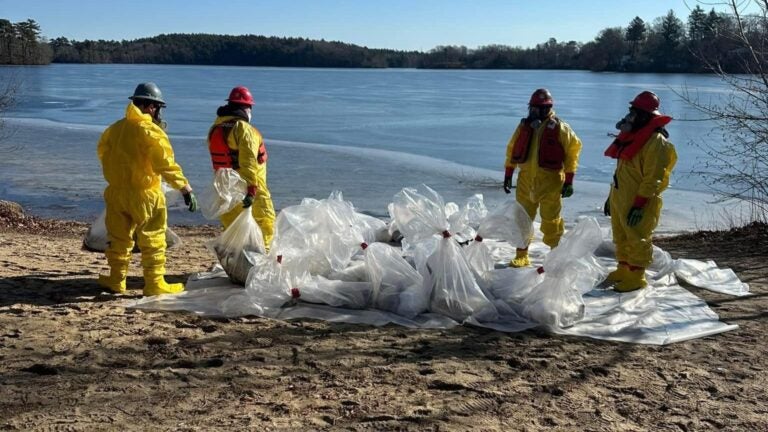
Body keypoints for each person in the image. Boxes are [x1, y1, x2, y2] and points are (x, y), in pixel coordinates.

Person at [97, 82, 198, 296]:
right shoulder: (150, 131)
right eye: (157, 108)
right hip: (145, 195)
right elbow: (165, 163)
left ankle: (116, 280)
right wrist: (185, 188)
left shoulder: (115, 129)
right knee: (153, 239)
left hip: (116, 194)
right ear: (151, 107)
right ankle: (154, 284)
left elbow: (103, 155)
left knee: (119, 238)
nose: (158, 113)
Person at [604, 91, 677, 292]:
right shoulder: (632, 137)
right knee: (620, 235)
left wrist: (640, 203)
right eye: (631, 111)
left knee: (637, 237)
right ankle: (623, 269)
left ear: (646, 115)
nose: (630, 116)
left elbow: (654, 177)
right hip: (621, 194)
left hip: (640, 199)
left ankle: (637, 276)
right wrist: (611, 198)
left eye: (635, 112)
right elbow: (622, 171)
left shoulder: (656, 142)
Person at [503, 88, 583, 267]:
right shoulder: (524, 127)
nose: (533, 112)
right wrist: (509, 172)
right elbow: (512, 148)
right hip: (525, 180)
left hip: (551, 181)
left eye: (537, 109)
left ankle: (555, 254)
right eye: (531, 108)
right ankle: (521, 255)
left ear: (546, 109)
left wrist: (569, 180)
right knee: (522, 219)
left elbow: (573, 152)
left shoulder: (561, 128)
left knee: (551, 221)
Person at [207, 86, 276, 248]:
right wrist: (252, 189)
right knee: (265, 222)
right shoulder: (244, 129)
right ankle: (261, 262)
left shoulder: (216, 128)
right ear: (246, 108)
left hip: (226, 187)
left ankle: (237, 259)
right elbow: (249, 162)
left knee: (232, 227)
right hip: (250, 187)